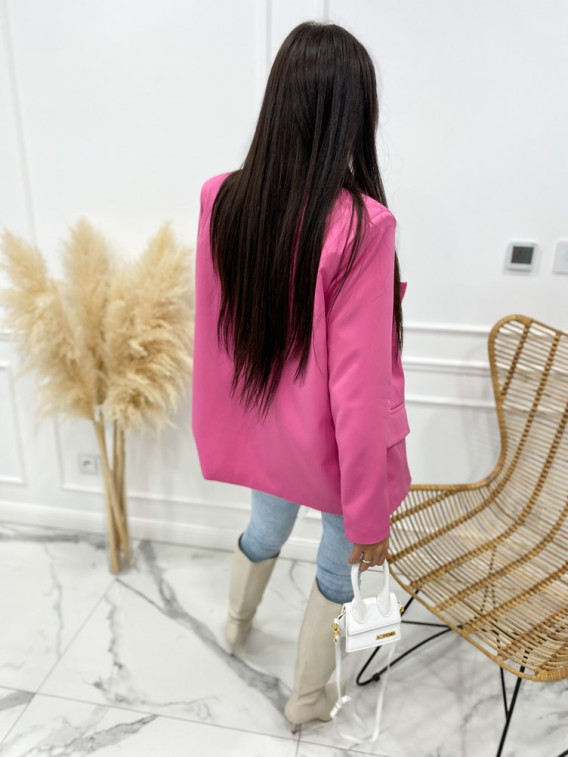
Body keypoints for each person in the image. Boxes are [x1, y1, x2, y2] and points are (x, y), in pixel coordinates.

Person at [191, 21, 411, 732]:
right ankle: (307, 697)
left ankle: (235, 624)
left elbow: (215, 332)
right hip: (338, 452)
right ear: (353, 111)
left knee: (264, 527)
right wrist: (369, 513)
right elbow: (358, 388)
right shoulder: (363, 225)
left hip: (267, 433)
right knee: (340, 565)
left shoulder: (224, 197)